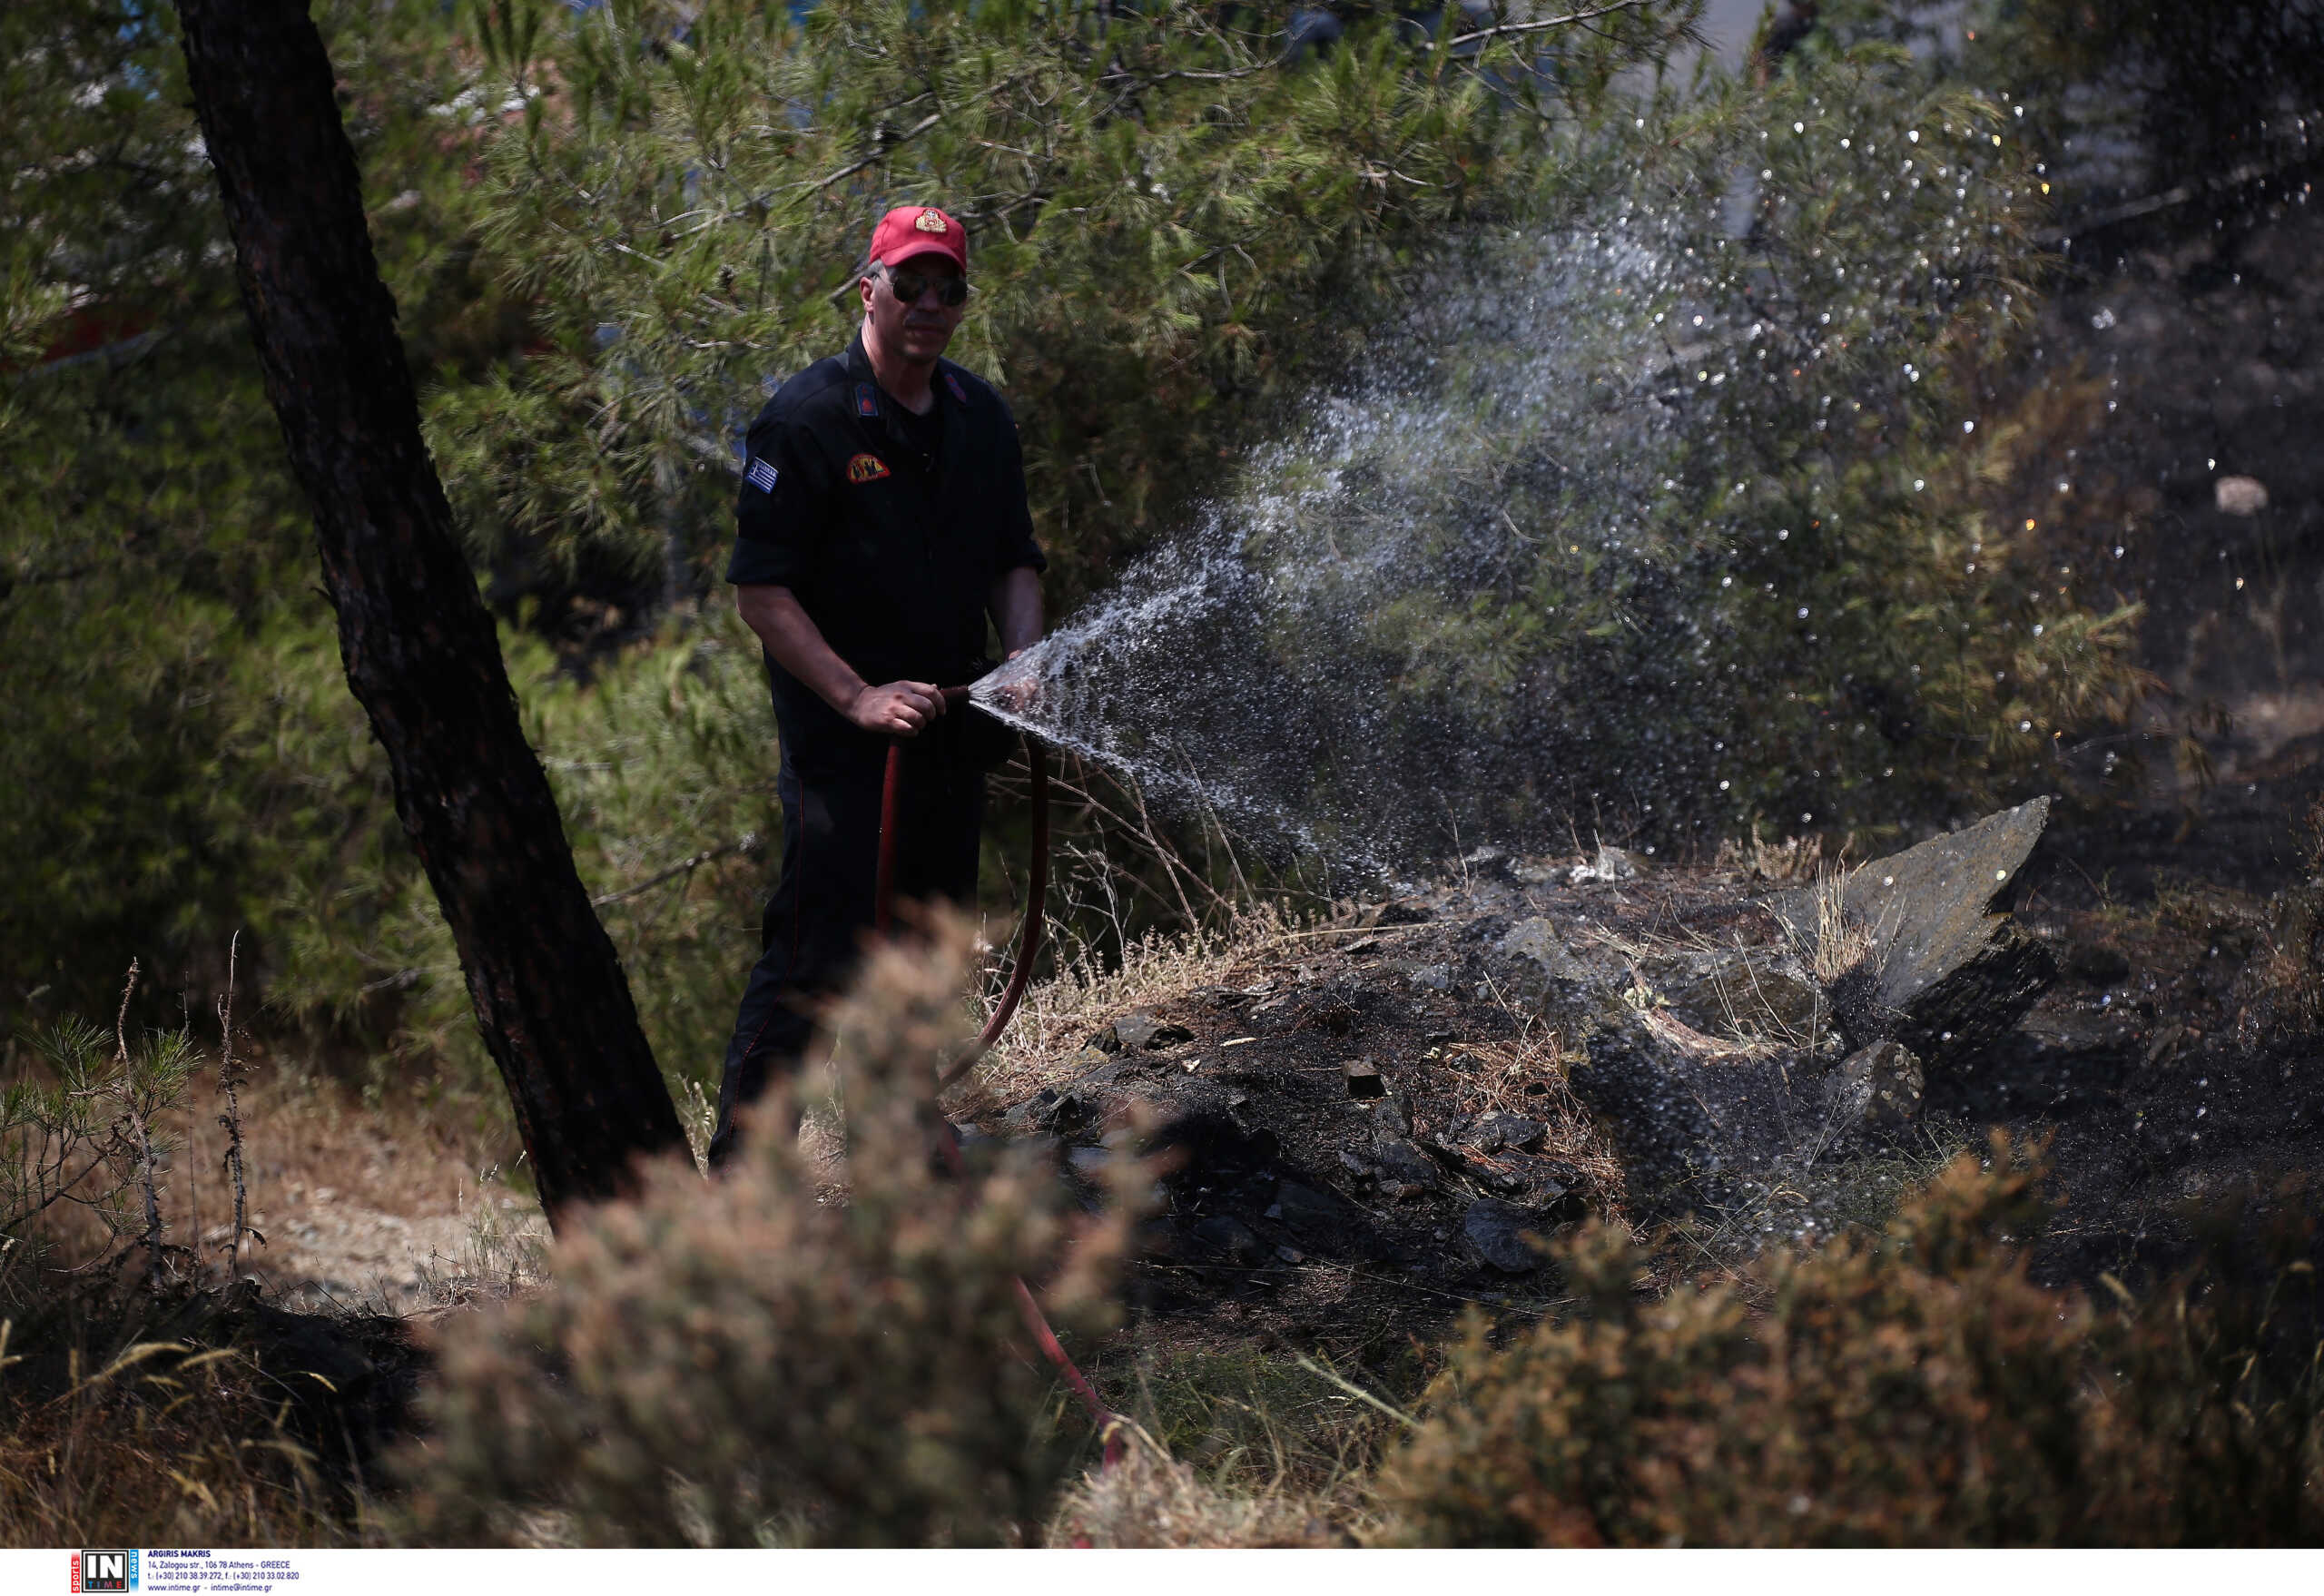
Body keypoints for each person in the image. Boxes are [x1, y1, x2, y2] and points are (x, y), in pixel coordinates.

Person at [709, 203, 1046, 1166]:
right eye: (910, 284)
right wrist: (856, 697)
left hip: (952, 729)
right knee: (815, 959)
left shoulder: (981, 418)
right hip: (843, 750)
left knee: (929, 946)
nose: (929, 304)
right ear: (869, 289)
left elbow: (1014, 562)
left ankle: (895, 1138)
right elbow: (761, 593)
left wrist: (1022, 660)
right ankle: (741, 1179)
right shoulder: (806, 419)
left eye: (950, 288)